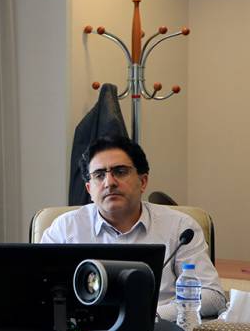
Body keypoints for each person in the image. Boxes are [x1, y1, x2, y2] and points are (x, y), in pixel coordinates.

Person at [41, 136, 226, 320]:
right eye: (99, 175)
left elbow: (213, 296)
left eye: (120, 172)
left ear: (143, 182)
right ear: (89, 189)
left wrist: (151, 316)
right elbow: (38, 292)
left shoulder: (180, 228)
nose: (109, 182)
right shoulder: (65, 229)